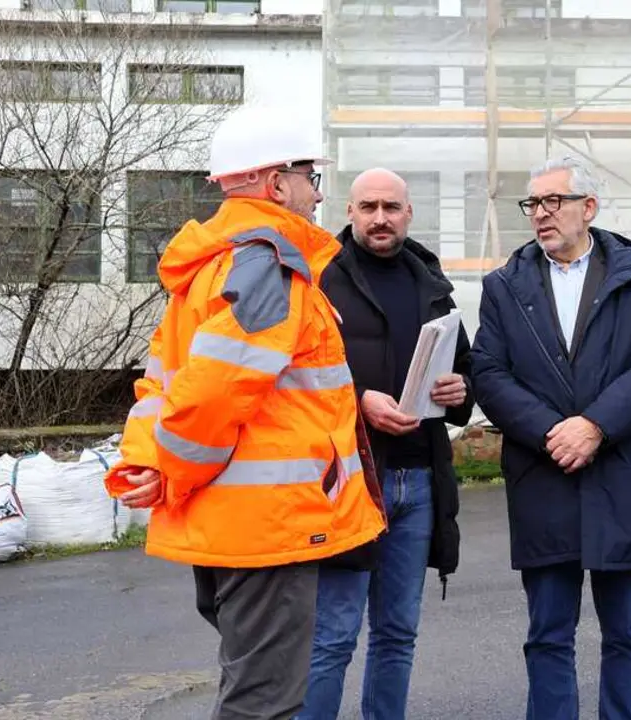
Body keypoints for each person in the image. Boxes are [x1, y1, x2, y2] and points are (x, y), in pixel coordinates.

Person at [103, 104, 386, 720]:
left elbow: (163, 384)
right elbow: (207, 394)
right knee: (265, 703)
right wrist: (172, 472)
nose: (317, 194)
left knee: (254, 689)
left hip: (233, 525)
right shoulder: (269, 266)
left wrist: (153, 464)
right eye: (311, 176)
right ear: (276, 181)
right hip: (267, 530)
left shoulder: (211, 267)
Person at [470, 154, 631, 720]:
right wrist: (550, 432)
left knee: (628, 633)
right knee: (547, 634)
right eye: (532, 204)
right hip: (546, 474)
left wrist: (596, 426)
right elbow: (488, 371)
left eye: (552, 201)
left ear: (588, 208)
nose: (540, 214)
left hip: (623, 474)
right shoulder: (504, 287)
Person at [300, 168, 474, 719]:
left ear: (409, 214)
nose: (380, 217)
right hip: (348, 479)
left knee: (398, 634)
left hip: (419, 479)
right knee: (332, 636)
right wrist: (358, 403)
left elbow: (465, 367)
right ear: (349, 212)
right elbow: (293, 377)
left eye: (391, 207)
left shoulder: (430, 279)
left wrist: (459, 389)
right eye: (368, 206)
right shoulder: (320, 276)